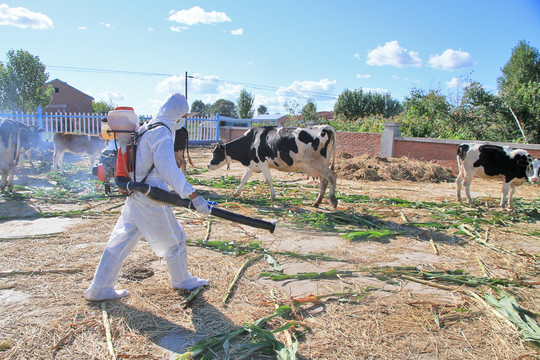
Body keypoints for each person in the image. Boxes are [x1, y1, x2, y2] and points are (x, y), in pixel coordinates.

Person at [84, 93, 211, 301]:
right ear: (177, 114)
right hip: (150, 197)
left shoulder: (147, 127)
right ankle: (181, 280)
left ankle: (99, 287)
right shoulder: (161, 132)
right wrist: (193, 195)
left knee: (119, 242)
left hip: (136, 194)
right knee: (175, 240)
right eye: (184, 115)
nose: (184, 120)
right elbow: (169, 169)